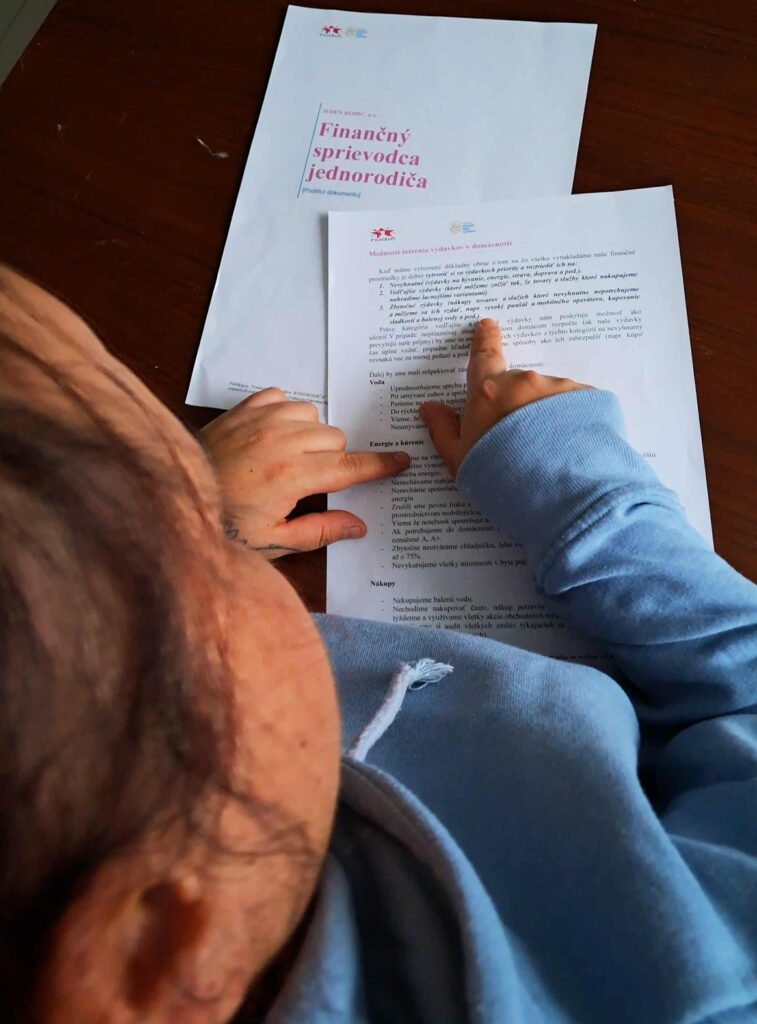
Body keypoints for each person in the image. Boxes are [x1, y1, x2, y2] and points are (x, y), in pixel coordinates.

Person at [0, 262, 754, 1024]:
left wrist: (190, 532)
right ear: (158, 947)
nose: (205, 512)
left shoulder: (137, 797)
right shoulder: (688, 989)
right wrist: (588, 503)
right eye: (196, 538)